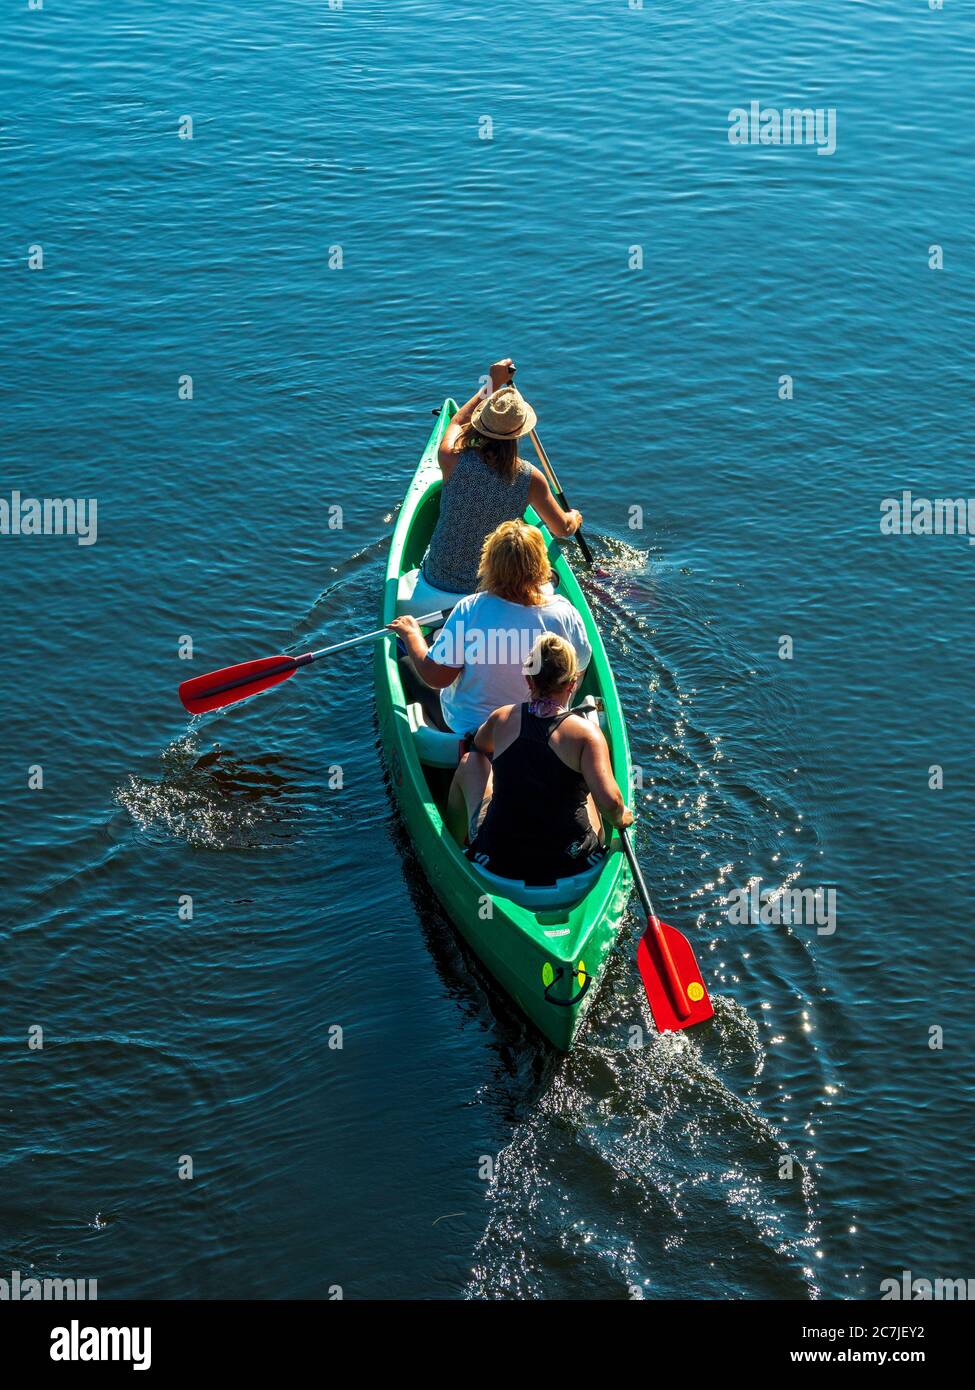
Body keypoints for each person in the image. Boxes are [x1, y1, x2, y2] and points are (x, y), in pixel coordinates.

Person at [447, 634, 633, 885]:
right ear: (573, 683)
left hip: (498, 859)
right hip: (572, 862)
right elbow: (611, 803)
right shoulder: (587, 734)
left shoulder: (502, 718)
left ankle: (456, 851)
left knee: (471, 761)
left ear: (528, 678)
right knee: (587, 781)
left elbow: (480, 746)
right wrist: (622, 817)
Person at [389, 519, 591, 733]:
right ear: (541, 566)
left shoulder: (470, 608)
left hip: (470, 727)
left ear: (490, 564)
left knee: (404, 656)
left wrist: (412, 635)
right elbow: (579, 668)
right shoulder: (565, 612)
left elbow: (437, 677)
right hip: (540, 726)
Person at [421, 358, 583, 596]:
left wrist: (491, 384)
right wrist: (574, 518)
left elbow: (457, 421)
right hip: (490, 590)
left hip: (435, 580)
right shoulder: (529, 479)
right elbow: (561, 528)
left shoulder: (451, 457)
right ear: (519, 433)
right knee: (550, 578)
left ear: (481, 422)